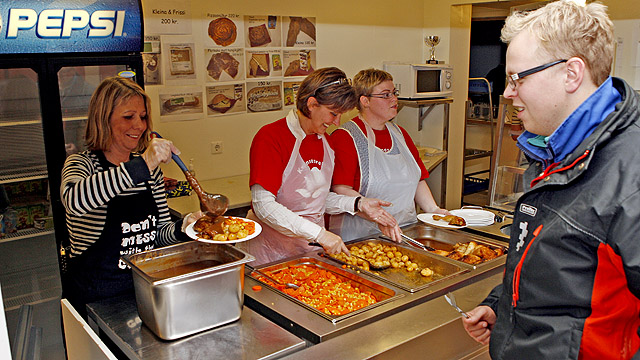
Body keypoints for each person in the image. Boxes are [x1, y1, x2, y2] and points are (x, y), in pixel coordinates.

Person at [462, 1, 640, 359]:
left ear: (572, 74)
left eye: (518, 78)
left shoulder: (630, 174)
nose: (508, 92)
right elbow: (558, 270)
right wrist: (502, 306)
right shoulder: (554, 151)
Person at [60, 76, 203, 318]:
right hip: (96, 303)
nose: (139, 125)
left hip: (143, 291)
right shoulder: (83, 164)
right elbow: (75, 201)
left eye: (143, 117)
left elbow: (156, 234)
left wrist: (184, 226)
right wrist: (143, 164)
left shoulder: (150, 172)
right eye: (128, 117)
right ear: (104, 119)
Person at [241, 67, 397, 265]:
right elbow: (263, 205)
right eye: (333, 114)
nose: (336, 122)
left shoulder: (326, 142)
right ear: (312, 104)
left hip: (308, 255)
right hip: (269, 257)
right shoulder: (271, 138)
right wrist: (320, 234)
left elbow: (314, 199)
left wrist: (358, 204)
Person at [329, 68, 448, 242]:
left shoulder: (400, 134)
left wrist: (434, 210)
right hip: (363, 237)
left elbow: (418, 180)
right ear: (365, 101)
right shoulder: (346, 137)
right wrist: (374, 213)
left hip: (406, 231)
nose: (394, 99)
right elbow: (341, 189)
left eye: (394, 93)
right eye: (385, 95)